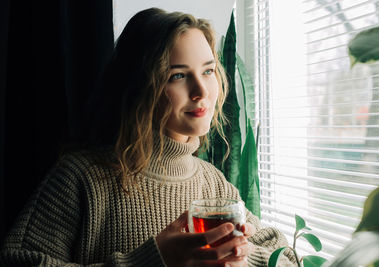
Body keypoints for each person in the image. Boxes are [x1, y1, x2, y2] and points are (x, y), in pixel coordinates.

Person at [0, 7, 296, 266]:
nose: (201, 91)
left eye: (208, 71)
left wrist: (243, 257)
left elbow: (286, 258)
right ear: (141, 86)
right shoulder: (81, 178)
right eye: (178, 75)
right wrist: (155, 260)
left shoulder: (214, 184)